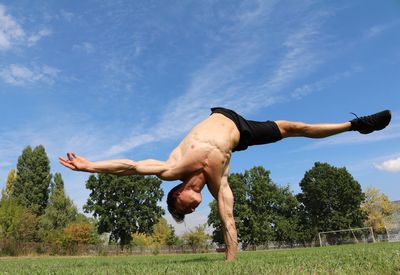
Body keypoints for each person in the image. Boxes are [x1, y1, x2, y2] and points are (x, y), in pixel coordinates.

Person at [59, 107, 391, 261]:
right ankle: (354, 126)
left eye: (181, 209)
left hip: (224, 114)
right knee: (291, 127)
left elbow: (129, 166)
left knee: (296, 125)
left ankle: (354, 125)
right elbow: (228, 221)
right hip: (240, 134)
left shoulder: (171, 168)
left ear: (177, 194)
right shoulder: (221, 186)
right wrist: (231, 261)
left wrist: (90, 166)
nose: (189, 211)